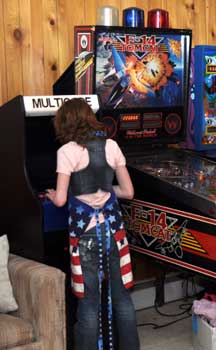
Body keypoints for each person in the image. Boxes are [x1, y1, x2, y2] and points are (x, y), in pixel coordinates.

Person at [45, 98, 140, 350]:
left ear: (65, 123)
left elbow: (62, 199)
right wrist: (106, 191)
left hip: (85, 236)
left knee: (88, 304)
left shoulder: (66, 152)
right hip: (113, 232)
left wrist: (54, 195)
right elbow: (128, 191)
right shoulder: (111, 146)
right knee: (122, 299)